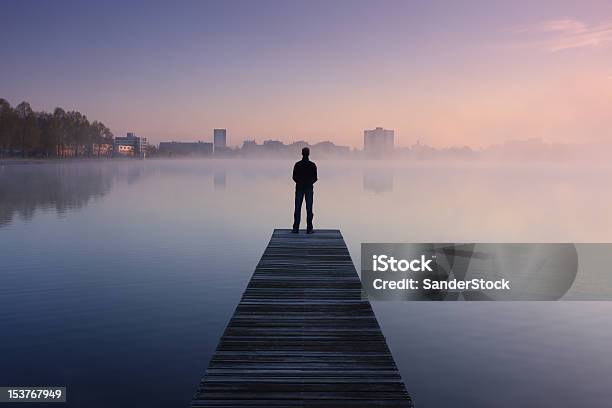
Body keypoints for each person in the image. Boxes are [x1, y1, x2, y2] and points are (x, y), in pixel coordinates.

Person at [292, 147, 317, 234]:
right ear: (308, 154)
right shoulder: (312, 165)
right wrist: (309, 183)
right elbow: (315, 178)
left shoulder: (297, 164)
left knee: (298, 208)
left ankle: (296, 228)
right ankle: (309, 229)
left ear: (302, 153)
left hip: (300, 188)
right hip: (308, 188)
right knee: (309, 209)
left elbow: (294, 177)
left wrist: (300, 182)